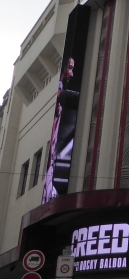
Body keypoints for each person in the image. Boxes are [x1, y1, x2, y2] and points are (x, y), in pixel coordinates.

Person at [42, 57, 78, 203]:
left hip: (49, 168)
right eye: (69, 68)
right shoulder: (55, 92)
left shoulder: (60, 92)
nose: (71, 74)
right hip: (47, 169)